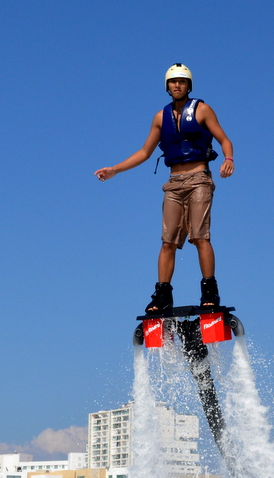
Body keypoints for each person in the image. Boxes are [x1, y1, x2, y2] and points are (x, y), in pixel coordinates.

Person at [95, 63, 234, 313]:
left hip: (198, 179)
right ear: (167, 87)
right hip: (173, 184)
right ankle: (162, 295)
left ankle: (210, 291)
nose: (177, 85)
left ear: (188, 85)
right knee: (167, 240)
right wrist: (115, 169)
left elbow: (225, 140)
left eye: (181, 81)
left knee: (200, 236)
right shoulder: (161, 117)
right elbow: (144, 152)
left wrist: (228, 159)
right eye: (173, 82)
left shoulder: (202, 110)